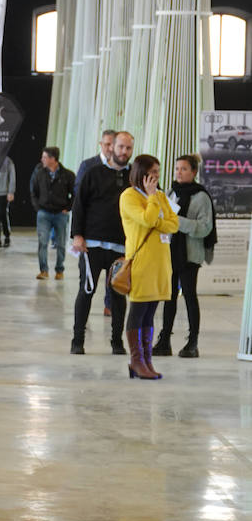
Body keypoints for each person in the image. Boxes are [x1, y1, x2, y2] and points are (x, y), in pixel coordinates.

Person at [70, 130, 134, 355]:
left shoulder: (134, 177)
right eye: (120, 147)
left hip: (121, 248)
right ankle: (77, 341)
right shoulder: (93, 173)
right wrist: (77, 235)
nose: (124, 152)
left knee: (118, 296)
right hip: (92, 246)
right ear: (111, 147)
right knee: (86, 291)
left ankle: (117, 343)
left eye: (128, 148)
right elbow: (79, 205)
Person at [119, 154, 180, 379]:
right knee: (138, 311)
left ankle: (147, 360)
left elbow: (173, 224)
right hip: (141, 263)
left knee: (151, 313)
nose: (156, 175)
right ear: (141, 172)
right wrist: (153, 199)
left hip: (161, 262)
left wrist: (158, 216)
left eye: (158, 171)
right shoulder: (129, 196)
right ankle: (136, 360)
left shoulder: (161, 196)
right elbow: (147, 219)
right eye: (153, 171)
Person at [153, 154, 215, 358]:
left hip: (190, 255)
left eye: (184, 169)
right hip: (169, 252)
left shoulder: (201, 196)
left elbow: (205, 228)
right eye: (177, 168)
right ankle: (164, 340)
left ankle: (193, 342)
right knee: (168, 297)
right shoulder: (170, 192)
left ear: (194, 172)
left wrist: (178, 221)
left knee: (189, 295)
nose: (179, 172)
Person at [30, 146, 75, 280]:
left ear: (52, 159)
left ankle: (59, 270)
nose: (41, 160)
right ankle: (43, 270)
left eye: (44, 157)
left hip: (61, 214)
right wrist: (38, 208)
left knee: (61, 243)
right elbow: (33, 192)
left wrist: (68, 208)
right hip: (44, 213)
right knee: (43, 242)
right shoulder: (39, 173)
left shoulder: (68, 175)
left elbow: (75, 194)